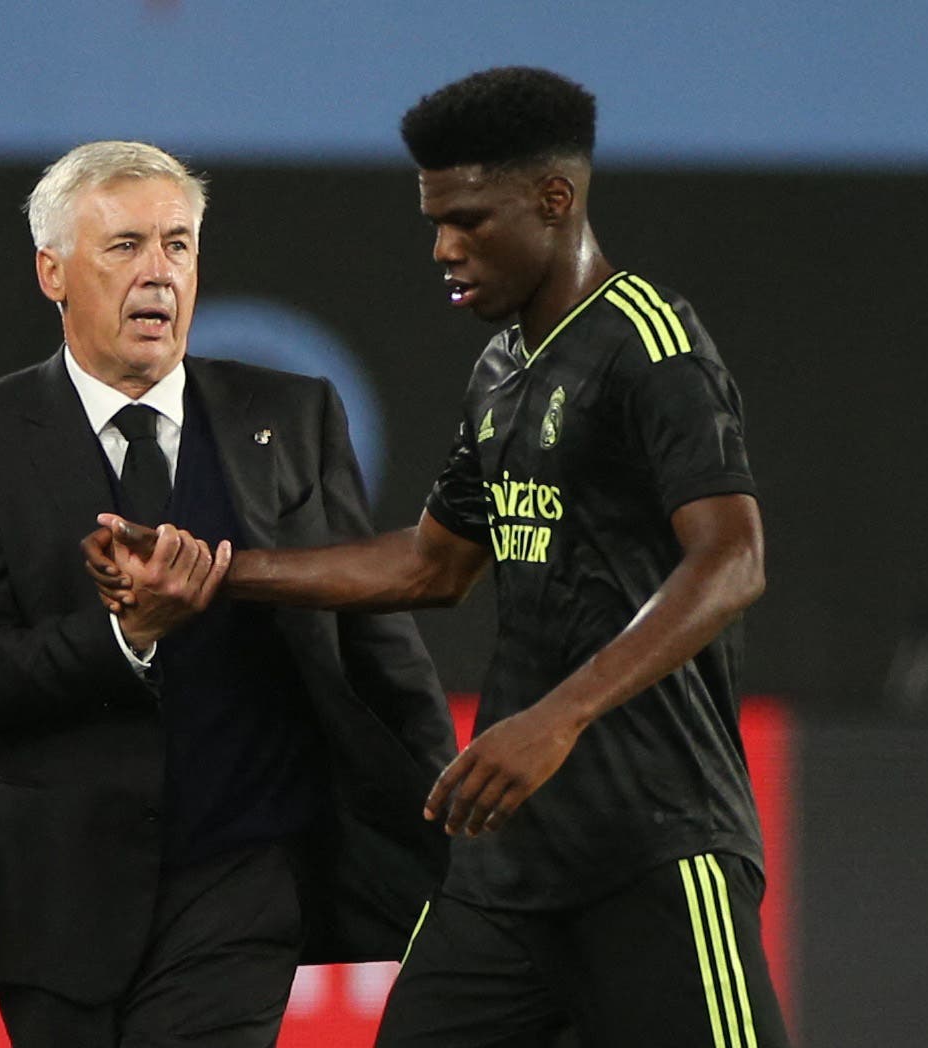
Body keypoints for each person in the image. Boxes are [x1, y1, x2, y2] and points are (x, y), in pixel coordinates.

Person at [90, 69, 791, 1047]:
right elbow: (430, 566)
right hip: (504, 862)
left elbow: (731, 561)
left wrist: (557, 717)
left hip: (654, 842)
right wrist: (213, 573)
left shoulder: (651, 345)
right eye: (433, 219)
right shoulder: (500, 370)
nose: (442, 247)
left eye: (468, 219)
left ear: (554, 200)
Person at [0, 141, 454, 1047]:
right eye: (124, 247)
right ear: (54, 272)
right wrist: (128, 640)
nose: (158, 273)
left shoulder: (294, 415)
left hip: (243, 873)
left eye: (179, 244)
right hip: (51, 890)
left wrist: (445, 824)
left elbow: (372, 635)